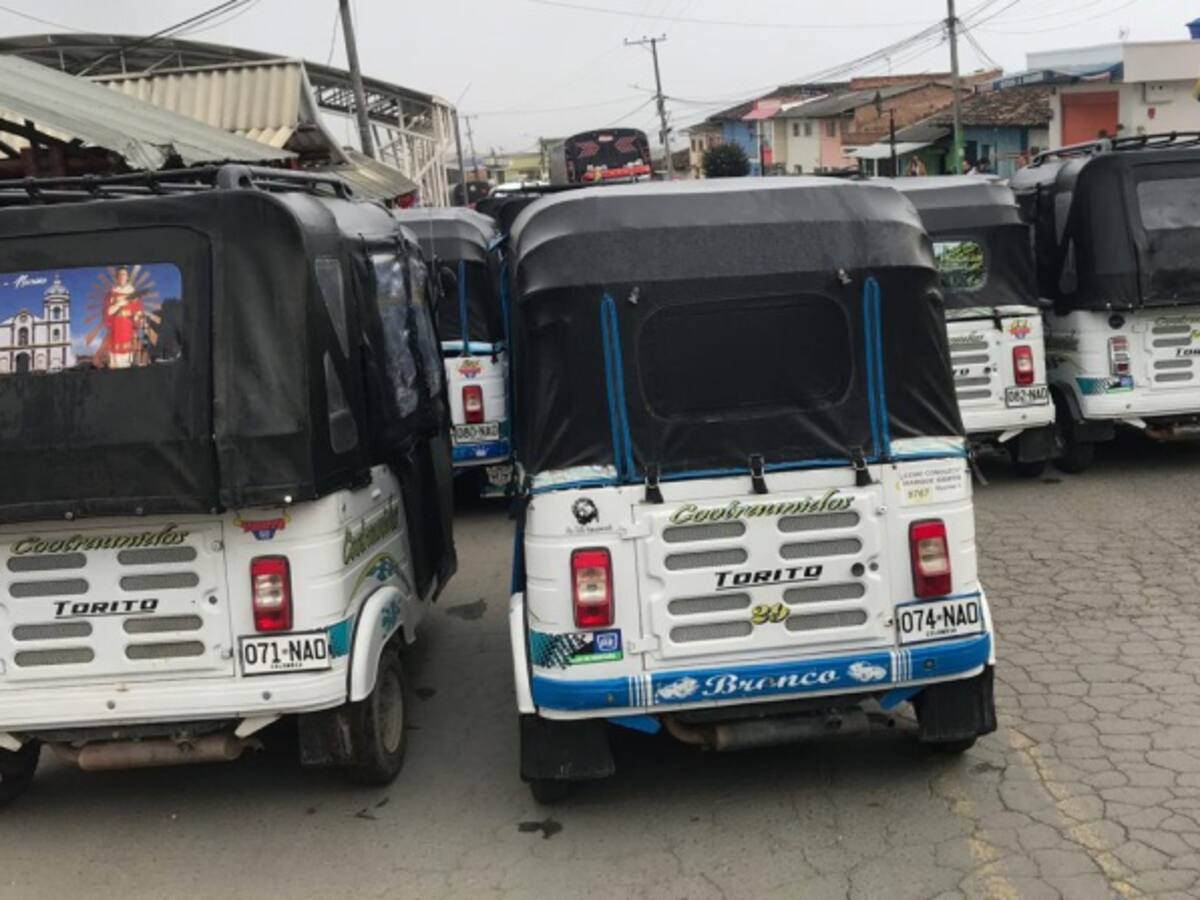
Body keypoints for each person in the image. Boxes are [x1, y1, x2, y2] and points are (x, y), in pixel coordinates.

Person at [103, 267, 144, 369]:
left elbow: (138, 311)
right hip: (116, 328)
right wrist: (119, 303)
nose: (122, 277)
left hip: (127, 327)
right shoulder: (111, 294)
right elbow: (108, 312)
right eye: (119, 275)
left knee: (127, 359)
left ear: (127, 277)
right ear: (117, 277)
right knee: (115, 361)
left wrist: (138, 318)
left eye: (124, 274)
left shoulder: (133, 294)